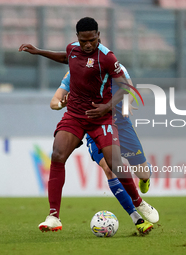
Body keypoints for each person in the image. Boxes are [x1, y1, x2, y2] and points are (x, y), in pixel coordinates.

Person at [19, 17, 153, 233]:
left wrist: (106, 107)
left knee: (115, 162)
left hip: (101, 117)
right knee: (57, 155)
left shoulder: (107, 58)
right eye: (83, 41)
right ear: (77, 38)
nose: (88, 45)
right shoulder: (73, 50)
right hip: (75, 115)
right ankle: (54, 216)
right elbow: (66, 57)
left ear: (98, 35)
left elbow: (125, 87)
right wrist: (39, 52)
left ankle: (138, 201)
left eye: (92, 40)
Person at [51, 64, 159, 224]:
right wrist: (62, 104)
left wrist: (127, 102)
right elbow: (54, 101)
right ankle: (136, 217)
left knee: (142, 173)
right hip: (96, 127)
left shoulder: (114, 66)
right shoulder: (73, 73)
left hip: (121, 125)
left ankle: (145, 175)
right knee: (109, 169)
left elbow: (127, 85)